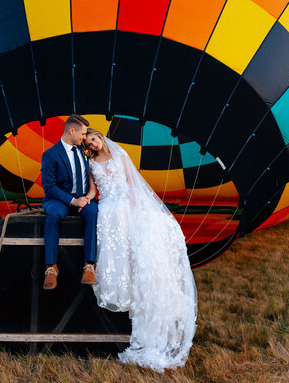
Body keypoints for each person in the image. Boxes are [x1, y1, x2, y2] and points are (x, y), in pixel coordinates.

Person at [83, 128, 197, 372]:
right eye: (89, 143)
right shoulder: (91, 163)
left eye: (94, 139)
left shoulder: (119, 154)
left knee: (141, 239)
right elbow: (94, 190)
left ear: (100, 137)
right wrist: (86, 199)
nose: (93, 144)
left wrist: (133, 201)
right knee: (111, 239)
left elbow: (132, 180)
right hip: (107, 208)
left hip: (124, 202)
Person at [41, 114, 98, 290]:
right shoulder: (50, 154)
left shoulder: (85, 151)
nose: (84, 138)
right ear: (71, 130)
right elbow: (49, 187)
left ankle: (89, 265)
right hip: (60, 199)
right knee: (53, 215)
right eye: (82, 134)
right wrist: (73, 201)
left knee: (94, 212)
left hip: (83, 197)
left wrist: (88, 196)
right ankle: (51, 267)